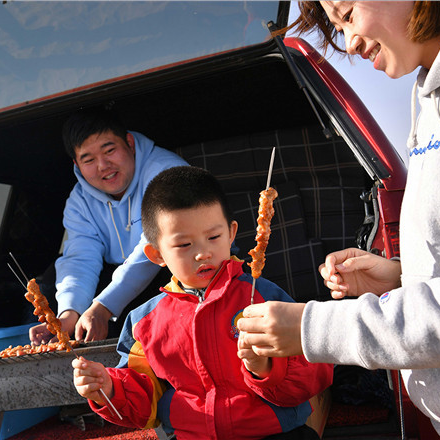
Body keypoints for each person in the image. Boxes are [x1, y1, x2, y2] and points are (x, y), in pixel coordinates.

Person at [237, 2, 440, 438]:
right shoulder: (430, 90)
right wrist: (402, 279)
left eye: (347, 14)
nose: (349, 43)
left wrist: (313, 328)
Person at [72, 166, 333, 440]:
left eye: (213, 237)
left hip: (274, 433)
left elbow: (315, 369)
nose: (202, 253)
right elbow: (144, 403)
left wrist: (267, 369)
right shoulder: (144, 322)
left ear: (231, 233)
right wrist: (108, 389)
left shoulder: (264, 298)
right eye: (184, 245)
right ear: (156, 253)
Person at [30, 108, 188, 344]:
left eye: (109, 150)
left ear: (129, 143)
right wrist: (68, 315)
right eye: (89, 159)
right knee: (55, 274)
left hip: (177, 271)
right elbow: (81, 258)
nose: (103, 165)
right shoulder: (79, 201)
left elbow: (155, 246)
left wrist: (103, 307)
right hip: (124, 285)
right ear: (76, 163)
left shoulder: (168, 175)